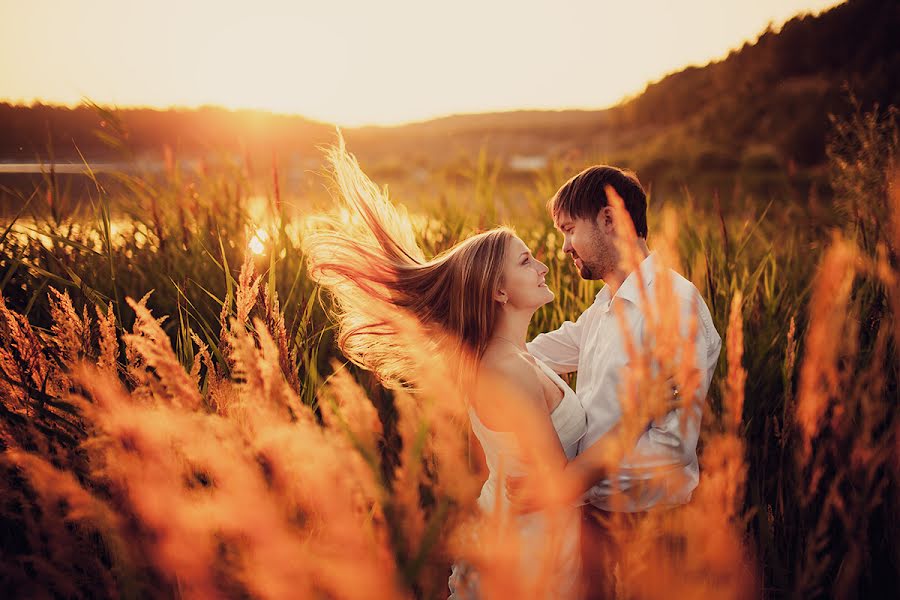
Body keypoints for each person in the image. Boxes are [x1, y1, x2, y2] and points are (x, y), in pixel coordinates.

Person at [302, 139, 587, 599]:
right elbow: (556, 484)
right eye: (526, 261)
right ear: (498, 292)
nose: (543, 267)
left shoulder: (518, 356)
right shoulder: (505, 369)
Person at [510, 165, 723, 599]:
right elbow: (545, 350)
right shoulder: (609, 303)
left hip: (650, 528)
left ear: (609, 220)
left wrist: (572, 484)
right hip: (597, 520)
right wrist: (485, 349)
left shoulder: (672, 307)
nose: (564, 246)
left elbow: (671, 447)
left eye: (569, 230)